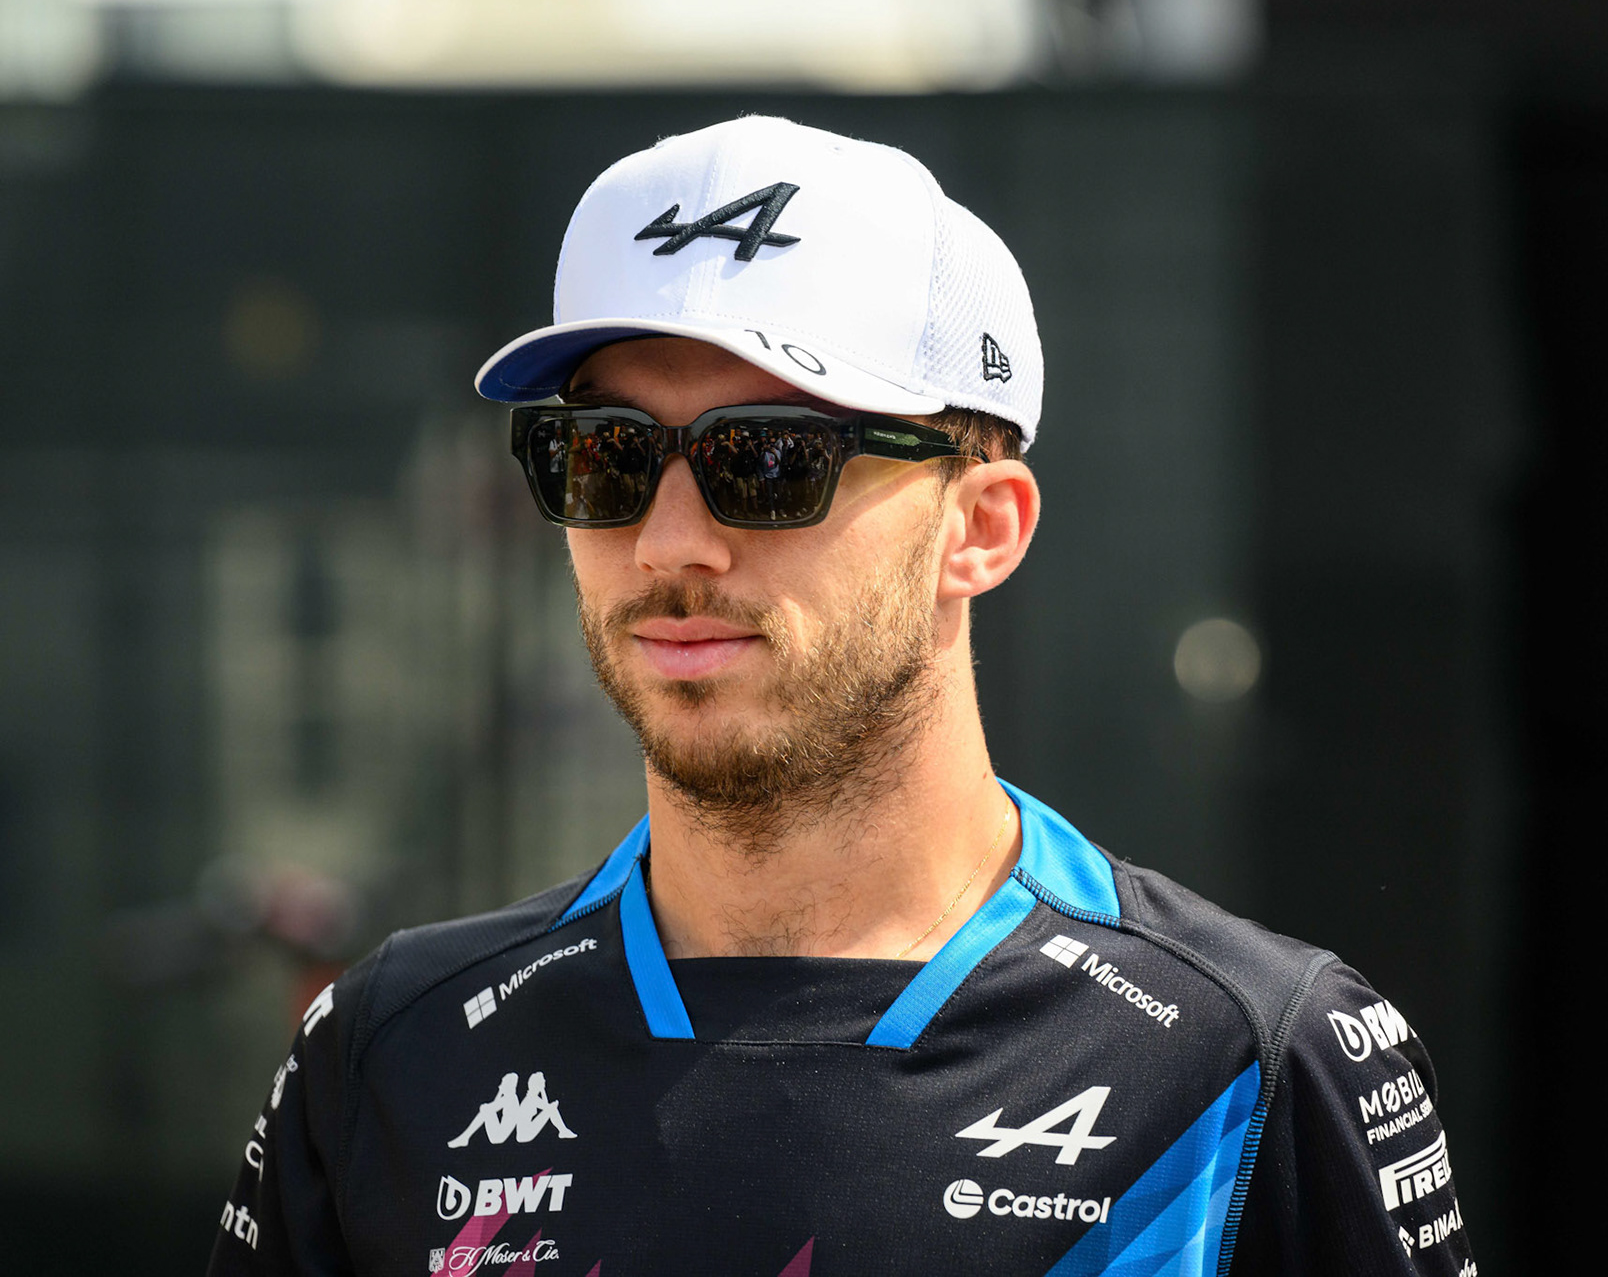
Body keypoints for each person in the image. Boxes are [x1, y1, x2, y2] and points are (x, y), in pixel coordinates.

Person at [208, 115, 1476, 1276]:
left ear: (981, 526)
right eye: (606, 457)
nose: (670, 543)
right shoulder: (391, 1051)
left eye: (767, 459)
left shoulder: (1250, 1062)